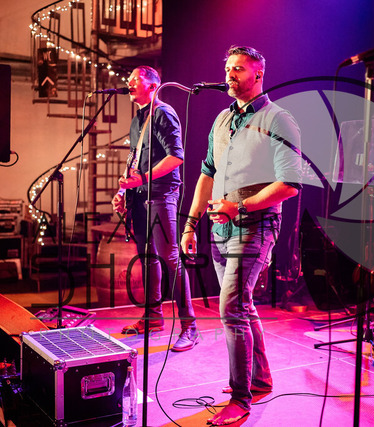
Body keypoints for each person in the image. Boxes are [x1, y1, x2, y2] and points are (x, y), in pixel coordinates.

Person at [180, 46, 302, 425]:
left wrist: (241, 207)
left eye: (238, 69)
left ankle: (240, 399)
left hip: (257, 225)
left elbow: (290, 184)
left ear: (258, 74)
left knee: (230, 308)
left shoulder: (279, 119)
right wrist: (190, 223)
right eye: (228, 68)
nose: (230, 74)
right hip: (220, 227)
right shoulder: (221, 119)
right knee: (242, 306)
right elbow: (207, 175)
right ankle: (260, 379)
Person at [112, 65, 199, 352]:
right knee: (148, 258)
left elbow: (176, 157)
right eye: (128, 80)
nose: (129, 84)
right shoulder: (138, 118)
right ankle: (152, 318)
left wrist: (144, 179)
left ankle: (190, 327)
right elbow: (134, 159)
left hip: (162, 194)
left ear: (153, 85)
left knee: (170, 258)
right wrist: (123, 191)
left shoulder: (163, 113)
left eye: (135, 80)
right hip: (140, 196)